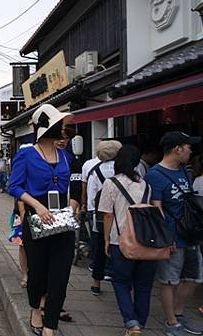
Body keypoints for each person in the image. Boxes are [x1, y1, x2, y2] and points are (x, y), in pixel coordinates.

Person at [8, 104, 78, 336]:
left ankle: (50, 326)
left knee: (60, 275)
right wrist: (36, 206)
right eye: (62, 125)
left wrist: (73, 206)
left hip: (62, 223)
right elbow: (14, 186)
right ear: (49, 127)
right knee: (38, 272)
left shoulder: (66, 157)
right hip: (36, 220)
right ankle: (35, 308)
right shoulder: (26, 154)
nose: (66, 130)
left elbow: (72, 186)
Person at [145, 132, 203, 336]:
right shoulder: (154, 175)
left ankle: (178, 314)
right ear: (177, 149)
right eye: (188, 147)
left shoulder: (186, 172)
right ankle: (171, 322)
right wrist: (165, 238)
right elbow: (156, 208)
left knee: (193, 278)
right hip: (172, 237)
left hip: (191, 234)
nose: (191, 151)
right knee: (169, 280)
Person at [98, 145, 157, 336]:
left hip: (121, 241)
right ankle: (140, 321)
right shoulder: (146, 185)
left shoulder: (111, 183)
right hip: (146, 241)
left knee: (121, 282)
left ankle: (132, 324)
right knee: (144, 285)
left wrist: (106, 239)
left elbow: (107, 215)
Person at [86, 140, 122, 296]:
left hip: (100, 216)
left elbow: (91, 197)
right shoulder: (122, 170)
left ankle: (96, 283)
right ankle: (118, 278)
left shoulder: (95, 171)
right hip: (120, 215)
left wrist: (91, 213)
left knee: (99, 249)